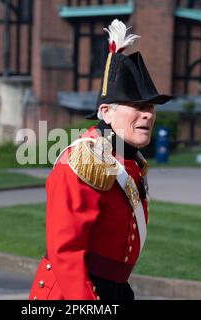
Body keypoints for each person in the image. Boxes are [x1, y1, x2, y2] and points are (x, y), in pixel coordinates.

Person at [29, 19, 173, 300]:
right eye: (137, 106)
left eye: (151, 107)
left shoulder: (129, 160)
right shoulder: (82, 160)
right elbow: (66, 252)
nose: (148, 114)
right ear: (105, 112)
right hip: (75, 292)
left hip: (115, 289)